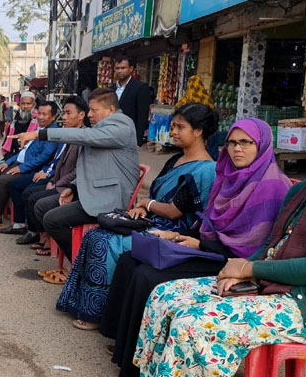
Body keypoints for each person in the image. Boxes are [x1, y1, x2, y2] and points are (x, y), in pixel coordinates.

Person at [100, 118, 292, 376]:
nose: (237, 149)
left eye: (246, 143)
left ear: (262, 146)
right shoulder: (228, 177)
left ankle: (137, 362)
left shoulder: (272, 186)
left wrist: (200, 243)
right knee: (130, 259)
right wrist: (179, 236)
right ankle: (127, 346)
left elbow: (255, 244)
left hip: (235, 263)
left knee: (148, 276)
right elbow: (209, 222)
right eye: (232, 142)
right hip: (211, 248)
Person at [56, 103, 219, 331]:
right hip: (152, 219)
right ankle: (87, 305)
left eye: (179, 127)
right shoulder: (175, 160)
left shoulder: (206, 170)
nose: (172, 132)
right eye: (173, 126)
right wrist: (143, 208)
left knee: (108, 242)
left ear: (198, 131)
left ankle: (100, 312)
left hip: (174, 231)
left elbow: (175, 211)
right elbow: (154, 197)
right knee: (96, 235)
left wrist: (146, 204)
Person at [12, 88, 139, 268]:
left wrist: (39, 134)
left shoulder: (122, 127)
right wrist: (72, 188)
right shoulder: (104, 129)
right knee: (44, 209)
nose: (89, 114)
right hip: (94, 192)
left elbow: (85, 136)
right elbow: (94, 168)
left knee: (52, 219)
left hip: (110, 200)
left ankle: (84, 269)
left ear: (110, 110)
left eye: (94, 110)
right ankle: (83, 265)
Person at [12, 96, 86, 242]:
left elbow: (77, 171)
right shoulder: (67, 133)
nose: (63, 117)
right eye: (63, 113)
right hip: (56, 178)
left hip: (68, 185)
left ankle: (41, 236)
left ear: (82, 115)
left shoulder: (83, 137)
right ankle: (33, 231)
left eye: (68, 113)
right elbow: (58, 162)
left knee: (34, 197)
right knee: (16, 184)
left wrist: (53, 179)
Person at [0, 101, 59, 229]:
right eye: (39, 113)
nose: (40, 117)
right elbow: (23, 151)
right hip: (18, 161)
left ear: (53, 117)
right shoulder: (37, 128)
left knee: (3, 180)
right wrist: (7, 162)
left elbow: (44, 157)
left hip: (30, 167)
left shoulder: (52, 133)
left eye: (44, 114)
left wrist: (21, 168)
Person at [114, 55, 151, 146]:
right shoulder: (111, 89)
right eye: (117, 68)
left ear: (131, 69)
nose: (120, 71)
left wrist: (138, 140)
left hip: (129, 135)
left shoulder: (140, 87)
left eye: (123, 68)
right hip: (112, 133)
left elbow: (142, 115)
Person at [1, 92, 37, 159]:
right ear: (19, 105)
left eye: (28, 104)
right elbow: (7, 146)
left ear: (34, 105)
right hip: (15, 158)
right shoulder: (14, 124)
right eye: (23, 104)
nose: (25, 106)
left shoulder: (39, 123)